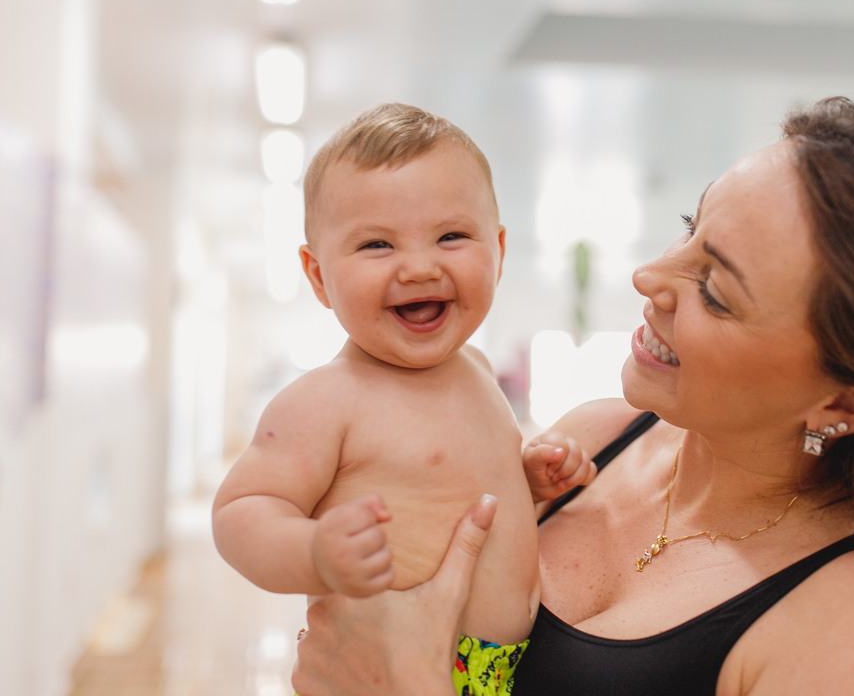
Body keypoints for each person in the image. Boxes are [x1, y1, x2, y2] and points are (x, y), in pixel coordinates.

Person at [289, 98, 854, 696]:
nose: (650, 278)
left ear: (849, 402)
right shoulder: (594, 443)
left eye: (714, 289)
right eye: (691, 226)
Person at [211, 103, 597, 695]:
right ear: (318, 277)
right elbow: (239, 514)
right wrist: (313, 551)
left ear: (497, 250)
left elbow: (460, 483)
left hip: (507, 669)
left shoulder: (476, 369)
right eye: (376, 245)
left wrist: (525, 477)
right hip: (386, 667)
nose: (419, 267)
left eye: (451, 236)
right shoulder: (325, 401)